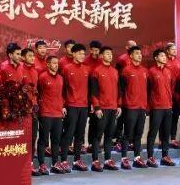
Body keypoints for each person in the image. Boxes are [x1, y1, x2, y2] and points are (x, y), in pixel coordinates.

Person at [88, 46, 120, 171]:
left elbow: (118, 90)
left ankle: (107, 160)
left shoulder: (115, 71)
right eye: (107, 54)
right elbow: (93, 91)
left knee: (109, 135)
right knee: (97, 135)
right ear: (101, 56)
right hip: (101, 108)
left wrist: (118, 105)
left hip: (113, 108)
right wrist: (97, 107)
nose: (110, 56)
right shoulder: (96, 71)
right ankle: (95, 161)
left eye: (111, 54)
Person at [61, 43, 91, 171]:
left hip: (83, 106)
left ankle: (77, 160)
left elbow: (90, 89)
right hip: (71, 105)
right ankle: (63, 160)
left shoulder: (87, 69)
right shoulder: (66, 69)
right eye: (79, 53)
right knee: (69, 133)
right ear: (73, 54)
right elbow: (62, 89)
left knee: (80, 134)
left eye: (83, 53)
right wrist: (63, 105)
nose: (82, 56)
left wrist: (90, 104)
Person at [120, 44, 149, 169]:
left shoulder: (145, 71)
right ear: (131, 56)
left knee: (138, 133)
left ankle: (137, 158)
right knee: (127, 134)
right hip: (130, 107)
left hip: (142, 107)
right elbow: (121, 89)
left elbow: (147, 88)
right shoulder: (126, 70)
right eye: (137, 53)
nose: (139, 55)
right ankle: (124, 159)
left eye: (140, 53)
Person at [37, 55, 66, 175]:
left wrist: (62, 106)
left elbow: (61, 94)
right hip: (46, 113)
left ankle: (55, 163)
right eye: (54, 63)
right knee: (43, 140)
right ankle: (42, 164)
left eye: (57, 63)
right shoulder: (42, 77)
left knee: (56, 140)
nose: (56, 65)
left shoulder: (60, 78)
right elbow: (38, 93)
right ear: (48, 64)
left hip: (58, 114)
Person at [147, 47, 176, 166]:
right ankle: (150, 157)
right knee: (153, 133)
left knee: (166, 133)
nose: (164, 58)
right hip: (156, 107)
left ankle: (165, 156)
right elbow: (148, 89)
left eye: (165, 56)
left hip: (168, 107)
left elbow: (172, 88)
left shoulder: (169, 71)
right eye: (162, 56)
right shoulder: (151, 71)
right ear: (156, 58)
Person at [165, 43, 180, 150]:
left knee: (175, 117)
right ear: (167, 51)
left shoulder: (178, 62)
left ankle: (173, 139)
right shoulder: (164, 61)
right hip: (166, 94)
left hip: (176, 94)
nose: (175, 51)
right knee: (165, 118)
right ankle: (163, 140)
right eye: (172, 49)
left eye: (176, 49)